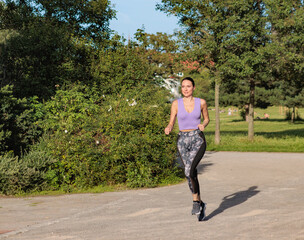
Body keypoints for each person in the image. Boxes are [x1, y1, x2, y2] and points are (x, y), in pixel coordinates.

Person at [165, 77, 210, 220]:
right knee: (189, 173)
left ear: (193, 88)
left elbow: (207, 118)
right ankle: (200, 203)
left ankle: (196, 201)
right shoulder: (176, 104)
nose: (185, 89)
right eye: (183, 86)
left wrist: (204, 124)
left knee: (189, 170)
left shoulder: (201, 102)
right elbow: (172, 121)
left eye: (188, 86)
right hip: (182, 140)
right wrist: (169, 127)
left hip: (197, 139)